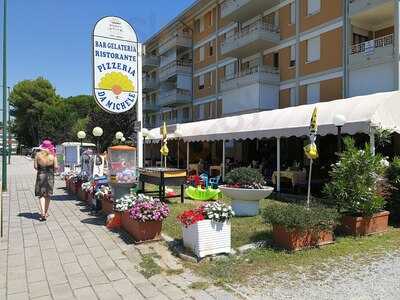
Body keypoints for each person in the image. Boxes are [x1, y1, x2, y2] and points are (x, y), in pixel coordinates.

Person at [34, 140, 58, 221]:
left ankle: (43, 212)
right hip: (50, 176)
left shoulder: (37, 155)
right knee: (48, 195)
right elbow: (56, 167)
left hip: (40, 176)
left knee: (41, 195)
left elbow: (36, 167)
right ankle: (46, 212)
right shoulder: (53, 156)